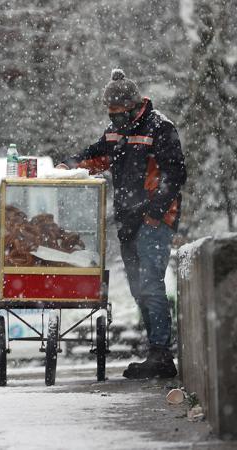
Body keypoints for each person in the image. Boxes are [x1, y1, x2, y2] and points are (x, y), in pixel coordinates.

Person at [57, 69, 186, 379]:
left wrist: (154, 211)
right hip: (128, 220)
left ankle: (161, 353)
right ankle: (155, 351)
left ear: (134, 106)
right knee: (138, 288)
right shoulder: (116, 132)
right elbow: (97, 155)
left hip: (155, 219)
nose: (114, 122)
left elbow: (175, 174)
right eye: (110, 117)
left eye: (118, 116)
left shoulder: (160, 128)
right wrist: (68, 165)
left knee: (151, 285)